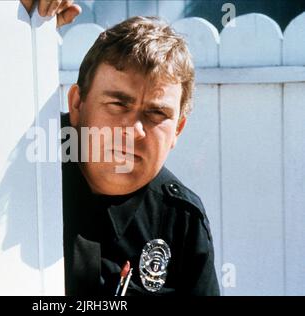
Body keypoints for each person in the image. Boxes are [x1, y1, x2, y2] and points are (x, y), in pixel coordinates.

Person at [61, 16, 220, 296]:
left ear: (178, 130)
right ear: (77, 104)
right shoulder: (20, 168)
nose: (134, 131)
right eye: (118, 104)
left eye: (156, 114)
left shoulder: (180, 221)